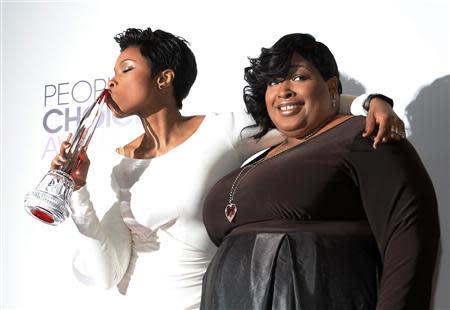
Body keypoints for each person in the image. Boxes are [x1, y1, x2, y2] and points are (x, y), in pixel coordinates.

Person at [50, 28, 405, 309]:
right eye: (113, 72)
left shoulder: (221, 131)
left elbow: (300, 107)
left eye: (126, 70)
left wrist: (369, 102)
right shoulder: (116, 162)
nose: (112, 82)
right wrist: (78, 191)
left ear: (164, 79)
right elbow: (105, 273)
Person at [201, 33, 439, 310]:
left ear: (331, 87)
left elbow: (409, 238)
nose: (284, 90)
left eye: (299, 77)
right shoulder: (257, 154)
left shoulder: (364, 135)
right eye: (273, 82)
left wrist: (372, 101)